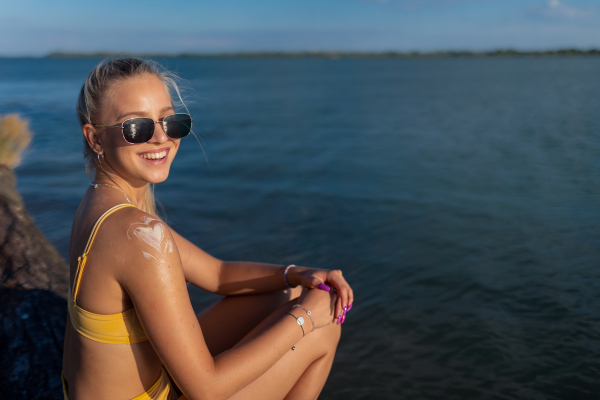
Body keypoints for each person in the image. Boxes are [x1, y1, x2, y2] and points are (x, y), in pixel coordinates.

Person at [61, 58, 354, 400]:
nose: (160, 137)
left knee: (282, 294)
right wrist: (306, 317)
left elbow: (217, 273)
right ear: (95, 139)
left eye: (171, 121)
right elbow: (206, 390)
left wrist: (298, 274)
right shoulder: (135, 233)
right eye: (136, 127)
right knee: (324, 328)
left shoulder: (100, 206)